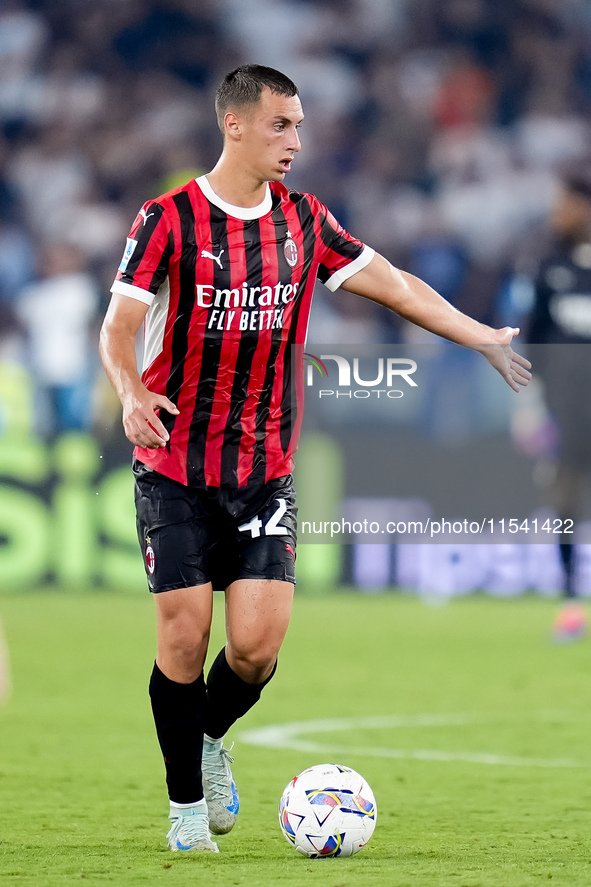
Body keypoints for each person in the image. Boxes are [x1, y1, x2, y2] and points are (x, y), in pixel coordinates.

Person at [99, 64, 531, 854]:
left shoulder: (304, 220)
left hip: (263, 466)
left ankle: (207, 736)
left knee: (256, 649)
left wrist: (476, 335)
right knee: (184, 638)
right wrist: (129, 393)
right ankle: (187, 813)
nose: (295, 141)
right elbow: (118, 325)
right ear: (234, 124)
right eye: (280, 125)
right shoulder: (167, 219)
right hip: (174, 464)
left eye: (298, 126)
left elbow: (394, 285)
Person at [521, 166, 591, 601]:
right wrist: (532, 405)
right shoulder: (550, 267)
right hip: (566, 409)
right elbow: (535, 339)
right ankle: (569, 592)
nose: (556, 212)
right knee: (564, 494)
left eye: (564, 203)